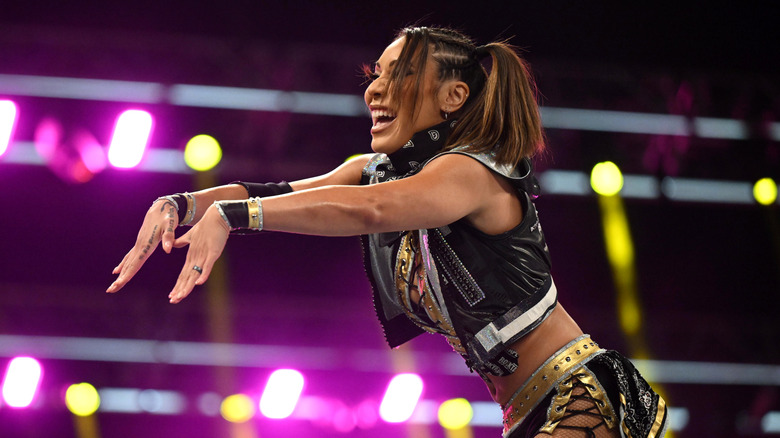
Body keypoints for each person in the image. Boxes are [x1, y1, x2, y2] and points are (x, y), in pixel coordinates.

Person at [107, 26, 668, 438]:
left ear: (453, 97)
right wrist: (182, 203)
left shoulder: (471, 170)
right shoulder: (380, 171)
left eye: (396, 74)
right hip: (523, 412)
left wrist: (233, 219)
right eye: (374, 75)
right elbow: (275, 195)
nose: (374, 89)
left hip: (581, 394)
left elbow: (371, 209)